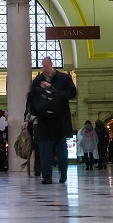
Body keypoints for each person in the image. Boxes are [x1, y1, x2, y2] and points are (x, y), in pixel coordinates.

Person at [27, 56, 77, 184]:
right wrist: (27, 116)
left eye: (46, 66)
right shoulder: (38, 80)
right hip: (44, 120)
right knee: (44, 149)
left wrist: (53, 91)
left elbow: (72, 94)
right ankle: (47, 175)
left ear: (51, 65)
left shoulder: (64, 78)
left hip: (60, 120)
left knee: (61, 149)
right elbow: (31, 97)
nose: (44, 69)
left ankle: (63, 174)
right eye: (42, 67)